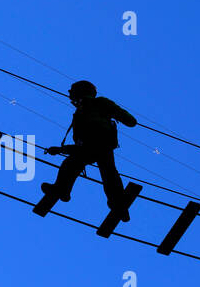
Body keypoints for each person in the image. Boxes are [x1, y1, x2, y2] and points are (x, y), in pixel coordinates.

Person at [42, 80, 137, 220]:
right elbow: (130, 121)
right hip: (97, 145)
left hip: (98, 144)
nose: (70, 96)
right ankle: (118, 203)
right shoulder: (82, 111)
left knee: (75, 165)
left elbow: (130, 121)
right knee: (107, 173)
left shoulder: (95, 105)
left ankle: (62, 189)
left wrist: (62, 149)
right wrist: (62, 149)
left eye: (72, 92)